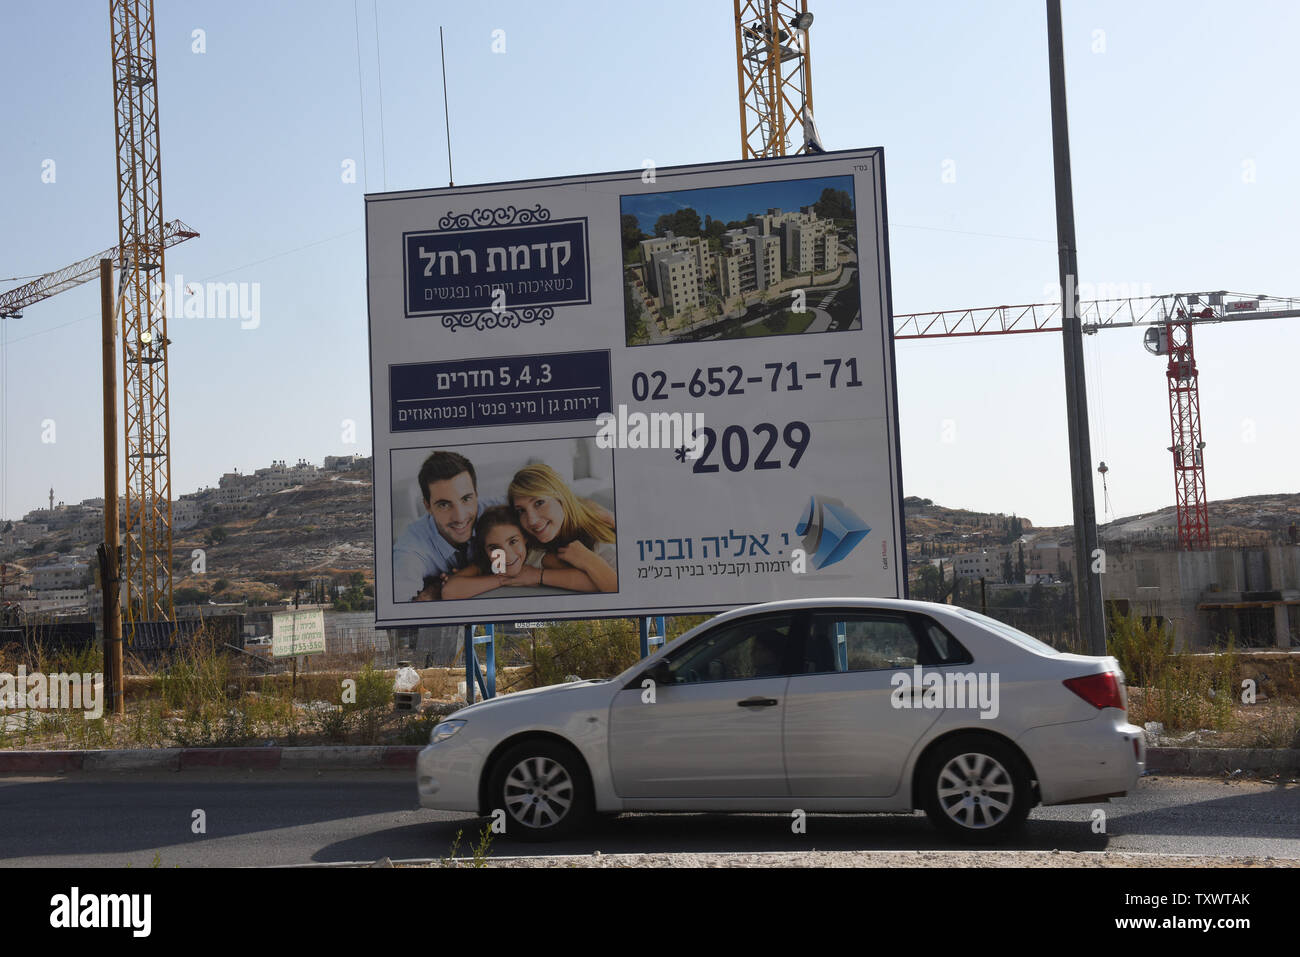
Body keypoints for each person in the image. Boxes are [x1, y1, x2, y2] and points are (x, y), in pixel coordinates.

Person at [392, 451, 500, 602]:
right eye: (444, 504)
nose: (460, 517)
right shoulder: (411, 547)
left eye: (466, 499)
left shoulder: (503, 511)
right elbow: (400, 606)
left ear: (476, 494)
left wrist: (441, 586)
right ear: (428, 506)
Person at [440, 506, 605, 599]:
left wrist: (537, 575)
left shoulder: (542, 559)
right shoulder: (490, 562)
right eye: (494, 548)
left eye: (513, 542)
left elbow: (593, 583)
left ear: (525, 538)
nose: (508, 555)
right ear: (485, 549)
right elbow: (449, 591)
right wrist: (502, 580)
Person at [508, 463, 618, 593]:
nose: (531, 520)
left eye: (539, 503)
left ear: (560, 497)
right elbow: (616, 587)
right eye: (521, 511)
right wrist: (588, 560)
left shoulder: (595, 514)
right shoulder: (546, 555)